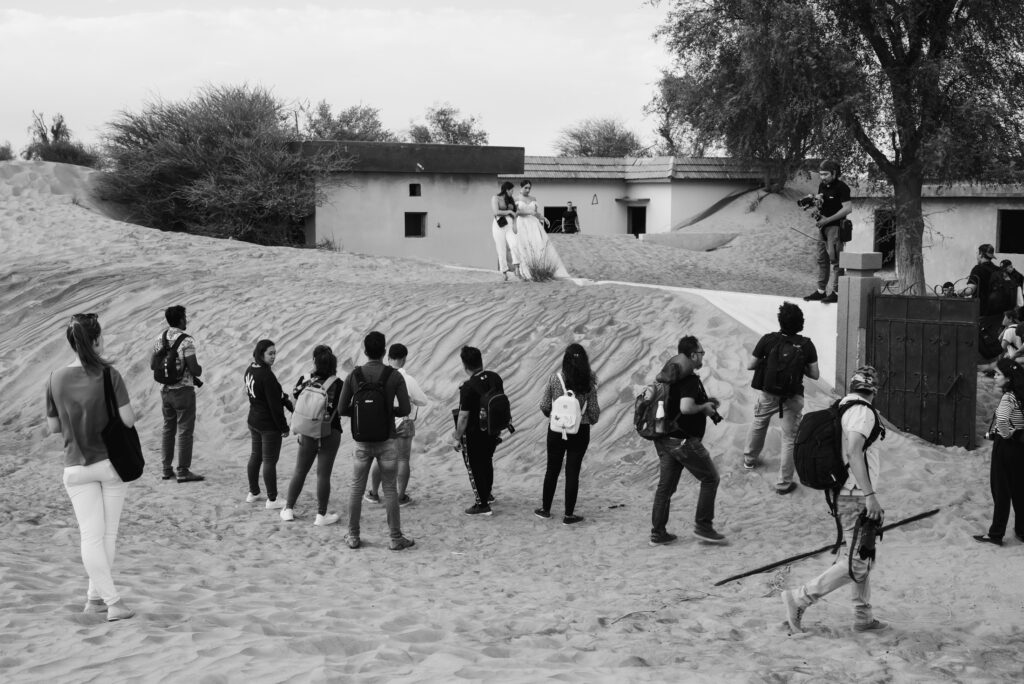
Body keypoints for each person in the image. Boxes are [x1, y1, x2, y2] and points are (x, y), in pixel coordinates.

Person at [782, 366, 889, 634]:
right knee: (856, 561)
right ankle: (800, 598)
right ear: (874, 390)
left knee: (862, 553)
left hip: (845, 492)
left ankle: (863, 616)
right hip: (854, 495)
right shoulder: (862, 412)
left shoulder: (842, 406)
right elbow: (854, 451)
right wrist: (870, 495)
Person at [45, 313, 136, 621]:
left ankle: (93, 600)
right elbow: (128, 420)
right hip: (110, 464)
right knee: (105, 536)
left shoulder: (55, 377)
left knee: (90, 536)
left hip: (75, 466)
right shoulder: (109, 375)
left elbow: (54, 427)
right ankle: (113, 603)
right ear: (97, 340)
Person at [338, 331, 414, 551]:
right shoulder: (394, 376)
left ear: (364, 351)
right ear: (383, 351)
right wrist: (387, 412)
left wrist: (364, 414)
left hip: (362, 442)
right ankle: (395, 537)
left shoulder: (354, 375)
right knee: (390, 489)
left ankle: (353, 536)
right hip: (387, 440)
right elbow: (406, 409)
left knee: (356, 488)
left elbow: (343, 409)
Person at [649, 336, 726, 545]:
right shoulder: (690, 380)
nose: (703, 356)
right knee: (710, 478)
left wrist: (706, 404)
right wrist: (703, 408)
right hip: (683, 442)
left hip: (665, 438)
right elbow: (685, 408)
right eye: (701, 352)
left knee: (665, 487)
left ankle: (658, 533)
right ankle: (703, 526)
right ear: (692, 355)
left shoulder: (673, 378)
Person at [742, 302, 821, 494]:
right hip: (792, 397)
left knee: (759, 423)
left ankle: (750, 460)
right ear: (800, 323)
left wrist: (767, 361)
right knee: (789, 438)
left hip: (768, 394)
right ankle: (784, 483)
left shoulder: (768, 340)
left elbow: (750, 365)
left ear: (780, 321)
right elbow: (815, 374)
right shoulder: (806, 345)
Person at [536, 343, 600, 524]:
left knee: (552, 469)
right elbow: (594, 413)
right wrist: (585, 418)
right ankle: (569, 515)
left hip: (556, 431)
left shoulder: (555, 379)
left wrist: (555, 417)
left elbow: (544, 405)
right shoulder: (589, 381)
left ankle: (545, 509)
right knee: (573, 472)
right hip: (580, 431)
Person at [281, 345, 344, 526]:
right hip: (330, 430)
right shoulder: (339, 384)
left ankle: (288, 509)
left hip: (307, 431)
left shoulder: (305, 379)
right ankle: (321, 515)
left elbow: (294, 399)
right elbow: (344, 407)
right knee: (323, 475)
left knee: (300, 470)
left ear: (315, 362)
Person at [366, 343, 429, 506]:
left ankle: (373, 493)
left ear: (388, 358)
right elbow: (423, 401)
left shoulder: (379, 376)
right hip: (403, 422)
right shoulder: (408, 379)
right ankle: (400, 497)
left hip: (382, 423)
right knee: (402, 459)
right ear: (404, 359)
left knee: (379, 458)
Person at [973, 358, 1024, 547]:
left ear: (1009, 378)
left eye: (999, 374)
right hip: (1020, 447)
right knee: (1020, 490)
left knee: (1001, 490)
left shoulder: (1008, 397)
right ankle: (1021, 530)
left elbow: (1002, 420)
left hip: (1006, 446)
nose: (995, 377)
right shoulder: (1021, 394)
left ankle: (996, 534)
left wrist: (1005, 433)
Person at [152, 305, 204, 483]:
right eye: (185, 317)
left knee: (168, 429)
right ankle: (182, 470)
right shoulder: (187, 341)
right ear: (181, 319)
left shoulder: (161, 338)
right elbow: (195, 369)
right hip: (183, 391)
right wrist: (199, 369)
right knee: (185, 431)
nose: (186, 320)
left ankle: (167, 469)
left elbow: (153, 365)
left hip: (165, 390)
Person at [452, 345, 503, 515]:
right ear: (481, 360)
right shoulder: (495, 377)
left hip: (474, 433)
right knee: (487, 461)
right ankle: (487, 494)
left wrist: (457, 436)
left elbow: (463, 416)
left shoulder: (468, 387)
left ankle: (482, 504)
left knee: (474, 467)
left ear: (464, 365)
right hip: (492, 430)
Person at [244, 339, 293, 509]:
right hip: (267, 425)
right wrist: (284, 427)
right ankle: (272, 499)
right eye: (270, 353)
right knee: (269, 461)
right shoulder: (266, 375)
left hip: (254, 420)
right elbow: (275, 407)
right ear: (261, 354)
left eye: (275, 353)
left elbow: (272, 396)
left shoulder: (250, 369)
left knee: (256, 456)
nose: (273, 356)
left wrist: (285, 400)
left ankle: (253, 492)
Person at [803, 160, 851, 304]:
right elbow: (821, 204)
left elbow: (848, 209)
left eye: (825, 174)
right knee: (821, 259)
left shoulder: (842, 187)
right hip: (823, 227)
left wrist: (828, 220)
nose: (822, 177)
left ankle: (836, 292)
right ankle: (820, 291)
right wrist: (815, 209)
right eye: (821, 174)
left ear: (834, 173)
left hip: (835, 228)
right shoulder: (822, 186)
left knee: (836, 261)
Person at [514, 179, 569, 280]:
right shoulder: (516, 199)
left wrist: (543, 218)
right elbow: (516, 213)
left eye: (529, 188)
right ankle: (525, 272)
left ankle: (538, 270)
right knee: (524, 245)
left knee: (538, 244)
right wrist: (529, 213)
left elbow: (536, 213)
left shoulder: (533, 198)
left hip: (534, 224)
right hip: (522, 223)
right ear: (521, 188)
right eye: (525, 188)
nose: (528, 190)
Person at [491, 181, 520, 281]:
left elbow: (516, 213)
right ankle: (504, 272)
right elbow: (496, 212)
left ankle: (517, 268)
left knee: (514, 244)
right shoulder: (496, 198)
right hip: (499, 225)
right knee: (501, 249)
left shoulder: (511, 200)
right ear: (506, 190)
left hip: (510, 225)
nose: (513, 192)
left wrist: (515, 223)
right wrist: (509, 211)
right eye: (512, 190)